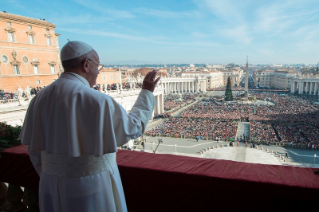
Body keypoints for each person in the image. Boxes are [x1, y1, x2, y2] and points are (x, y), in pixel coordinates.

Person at [19, 41, 160, 212]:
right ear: (86, 64)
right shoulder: (98, 100)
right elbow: (133, 128)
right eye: (97, 66)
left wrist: (52, 173)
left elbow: (33, 148)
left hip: (50, 184)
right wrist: (146, 92)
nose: (98, 72)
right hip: (92, 185)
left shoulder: (39, 98)